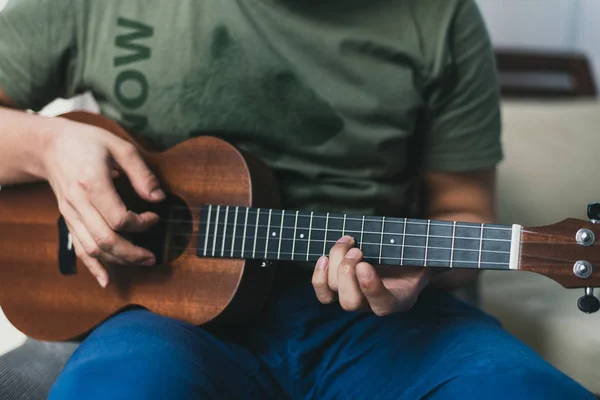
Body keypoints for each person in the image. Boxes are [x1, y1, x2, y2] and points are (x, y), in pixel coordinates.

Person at [0, 0, 594, 399]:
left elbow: (463, 214)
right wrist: (46, 144)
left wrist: (427, 269)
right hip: (157, 316)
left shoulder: (441, 16)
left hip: (377, 322)